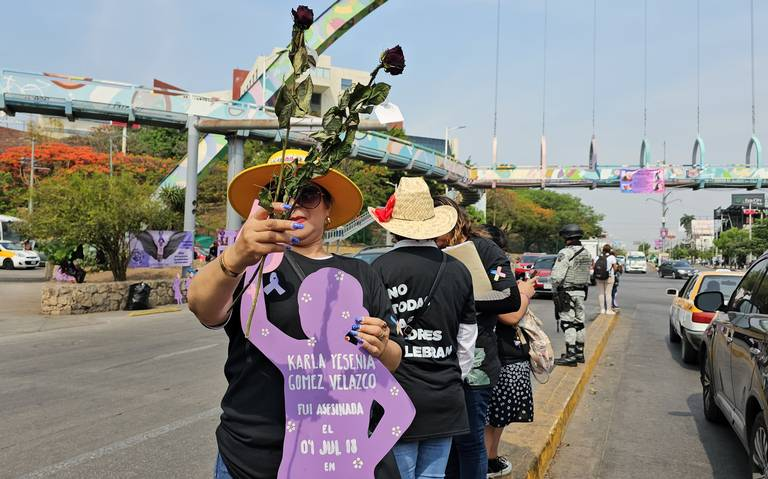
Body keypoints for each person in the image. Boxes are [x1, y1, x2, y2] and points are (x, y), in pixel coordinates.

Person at [188, 155, 404, 479]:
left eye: (308, 194)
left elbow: (392, 362)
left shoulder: (362, 274)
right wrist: (236, 256)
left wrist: (381, 345)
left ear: (328, 209)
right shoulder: (248, 263)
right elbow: (201, 306)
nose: (295, 204)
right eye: (282, 192)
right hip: (249, 456)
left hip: (338, 462)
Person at [370, 178, 477, 479]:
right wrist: (456, 376)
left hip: (396, 396)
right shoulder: (458, 270)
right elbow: (467, 338)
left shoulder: (378, 269)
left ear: (392, 226)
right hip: (445, 395)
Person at [432, 197, 525, 479]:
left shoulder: (484, 249)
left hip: (478, 362)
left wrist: (463, 299)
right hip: (436, 358)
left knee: (470, 439)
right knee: (443, 441)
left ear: (454, 222)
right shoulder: (427, 250)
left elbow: (509, 297)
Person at [550, 225, 593, 367]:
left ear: (567, 237)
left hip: (567, 292)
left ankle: (570, 355)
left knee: (568, 323)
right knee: (579, 323)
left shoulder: (565, 252)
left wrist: (554, 289)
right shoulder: (586, 253)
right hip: (581, 292)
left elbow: (557, 276)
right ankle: (580, 353)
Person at [594, 244, 618, 315]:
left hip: (599, 277)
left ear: (603, 250)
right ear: (610, 250)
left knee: (601, 293)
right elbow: (615, 268)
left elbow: (594, 266)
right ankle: (608, 310)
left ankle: (602, 310)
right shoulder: (612, 257)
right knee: (608, 294)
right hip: (609, 277)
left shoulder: (597, 257)